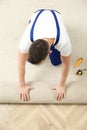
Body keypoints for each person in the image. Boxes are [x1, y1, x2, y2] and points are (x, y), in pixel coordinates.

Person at [18, 9, 72, 101]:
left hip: (56, 14)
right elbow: (20, 63)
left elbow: (66, 64)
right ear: (31, 46)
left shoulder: (64, 42)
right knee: (31, 59)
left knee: (56, 62)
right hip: (36, 13)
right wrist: (22, 85)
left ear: (49, 52)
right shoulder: (26, 40)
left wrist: (61, 85)